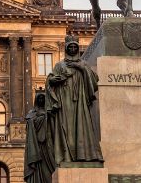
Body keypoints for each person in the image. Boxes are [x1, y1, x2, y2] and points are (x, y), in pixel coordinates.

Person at [46, 35, 103, 164]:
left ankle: (85, 155)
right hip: (65, 101)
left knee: (82, 126)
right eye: (70, 46)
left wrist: (82, 69)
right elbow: (50, 81)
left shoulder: (83, 64)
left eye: (74, 46)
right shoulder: (59, 65)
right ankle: (67, 156)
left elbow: (94, 81)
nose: (72, 48)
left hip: (80, 101)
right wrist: (52, 80)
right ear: (66, 48)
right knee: (66, 128)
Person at [24, 93, 56, 183]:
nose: (41, 100)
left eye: (43, 99)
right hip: (36, 144)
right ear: (36, 101)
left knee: (50, 163)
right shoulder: (32, 113)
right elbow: (29, 125)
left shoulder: (49, 111)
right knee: (38, 166)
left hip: (47, 142)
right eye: (39, 99)